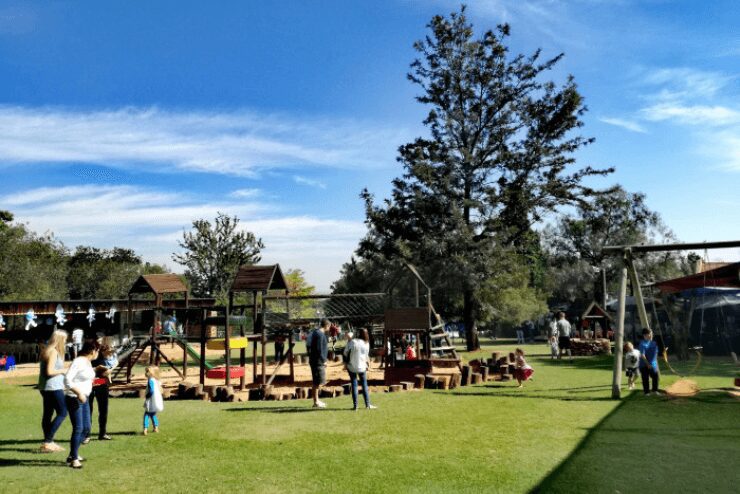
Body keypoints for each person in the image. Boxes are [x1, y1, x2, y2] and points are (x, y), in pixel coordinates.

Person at [64, 341, 99, 469]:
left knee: (86, 428)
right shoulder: (78, 361)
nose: (97, 353)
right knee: (78, 428)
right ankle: (74, 459)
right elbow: (67, 379)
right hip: (75, 398)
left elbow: (85, 379)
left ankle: (73, 454)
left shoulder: (87, 362)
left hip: (85, 398)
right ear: (93, 350)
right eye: (97, 351)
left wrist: (101, 376)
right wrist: (78, 393)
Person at [38, 330, 69, 453]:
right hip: (53, 387)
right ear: (60, 340)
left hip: (45, 387)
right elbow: (50, 372)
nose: (66, 342)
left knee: (48, 414)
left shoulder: (47, 350)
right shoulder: (53, 352)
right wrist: (63, 370)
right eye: (65, 340)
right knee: (62, 412)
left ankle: (48, 443)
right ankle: (48, 441)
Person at [88, 344, 118, 441]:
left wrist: (109, 371)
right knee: (89, 410)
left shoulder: (109, 359)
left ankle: (102, 433)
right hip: (91, 385)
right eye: (108, 351)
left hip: (102, 385)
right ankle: (86, 435)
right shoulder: (93, 359)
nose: (109, 353)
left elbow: (115, 363)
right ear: (102, 351)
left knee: (103, 410)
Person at [343, 328, 377, 410]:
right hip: (362, 367)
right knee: (364, 385)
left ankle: (355, 406)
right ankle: (368, 405)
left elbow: (345, 352)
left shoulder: (352, 342)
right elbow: (366, 357)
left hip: (352, 367)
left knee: (354, 385)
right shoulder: (366, 343)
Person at [307, 318, 330, 408]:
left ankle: (316, 400)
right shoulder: (320, 335)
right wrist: (324, 360)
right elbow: (319, 349)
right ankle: (316, 402)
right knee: (317, 382)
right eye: (329, 327)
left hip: (316, 360)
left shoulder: (316, 333)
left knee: (317, 381)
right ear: (327, 325)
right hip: (318, 362)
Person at [638, 329, 660, 395]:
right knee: (645, 378)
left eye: (651, 333)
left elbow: (655, 353)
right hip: (644, 365)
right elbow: (642, 355)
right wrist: (647, 364)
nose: (651, 335)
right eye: (649, 334)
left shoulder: (654, 343)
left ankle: (655, 390)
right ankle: (646, 392)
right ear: (645, 335)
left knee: (655, 377)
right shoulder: (642, 344)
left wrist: (655, 362)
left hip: (653, 364)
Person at [143, 366, 164, 435]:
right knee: (153, 414)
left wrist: (147, 396)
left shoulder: (150, 380)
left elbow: (151, 390)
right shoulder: (156, 380)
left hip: (151, 400)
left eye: (147, 371)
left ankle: (145, 429)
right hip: (155, 400)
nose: (145, 373)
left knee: (146, 414)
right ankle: (156, 427)